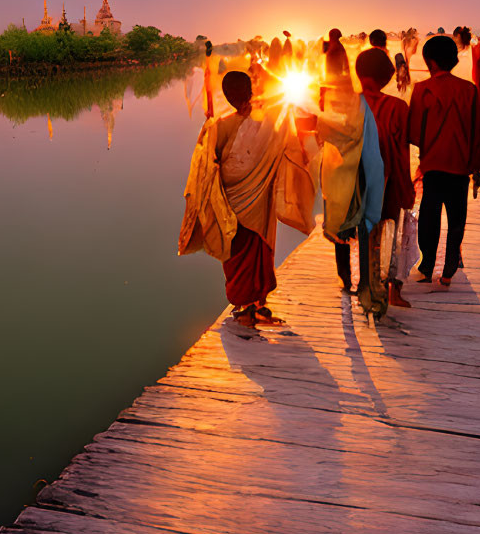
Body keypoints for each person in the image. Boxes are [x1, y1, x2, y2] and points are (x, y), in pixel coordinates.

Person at [177, 69, 316, 326]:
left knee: (238, 253)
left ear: (227, 96)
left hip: (231, 204)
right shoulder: (270, 117)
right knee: (257, 248)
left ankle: (247, 308)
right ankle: (254, 306)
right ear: (250, 91)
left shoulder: (220, 126)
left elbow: (207, 167)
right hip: (257, 199)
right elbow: (293, 132)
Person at [407, 35, 480, 285]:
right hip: (461, 165)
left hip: (433, 164)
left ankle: (427, 264)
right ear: (452, 60)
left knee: (429, 216)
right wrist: (476, 169)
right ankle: (451, 262)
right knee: (457, 216)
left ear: (429, 62)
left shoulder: (422, 89)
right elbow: (478, 132)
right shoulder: (469, 90)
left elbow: (414, 133)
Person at [315, 31, 382, 298]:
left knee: (341, 217)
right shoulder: (353, 88)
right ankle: (361, 277)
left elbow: (323, 125)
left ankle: (345, 277)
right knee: (359, 220)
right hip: (355, 164)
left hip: (338, 164)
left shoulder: (328, 72)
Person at [356, 47, 413, 315]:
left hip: (356, 186)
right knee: (389, 237)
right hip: (388, 185)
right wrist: (406, 187)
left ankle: (365, 287)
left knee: (365, 237)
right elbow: (402, 153)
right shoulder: (397, 107)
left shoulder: (348, 105)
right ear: (387, 77)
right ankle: (386, 290)